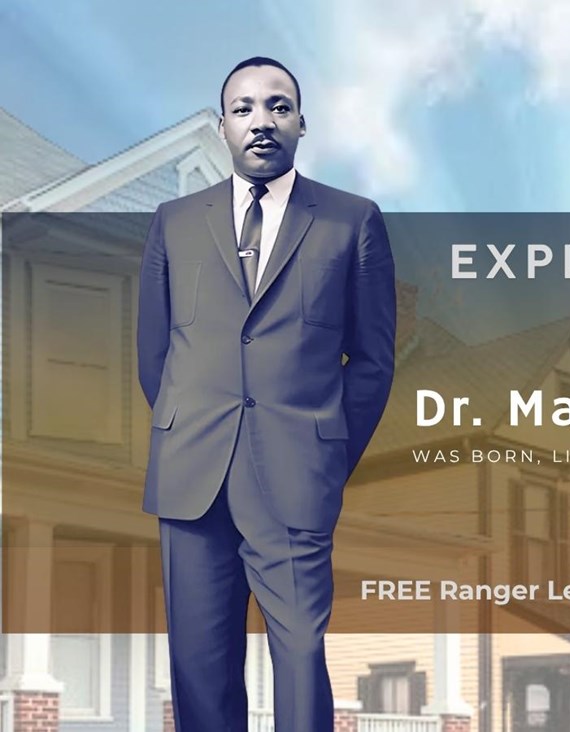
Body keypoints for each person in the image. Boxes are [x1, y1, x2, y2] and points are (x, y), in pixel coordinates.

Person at [137, 56, 396, 730]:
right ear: (223, 126)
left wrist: (326, 455)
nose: (262, 121)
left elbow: (372, 362)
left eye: (279, 106)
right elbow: (155, 355)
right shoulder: (173, 222)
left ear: (301, 123)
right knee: (199, 667)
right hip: (191, 475)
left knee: (300, 652)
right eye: (244, 108)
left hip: (297, 476)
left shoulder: (351, 221)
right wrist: (191, 428)